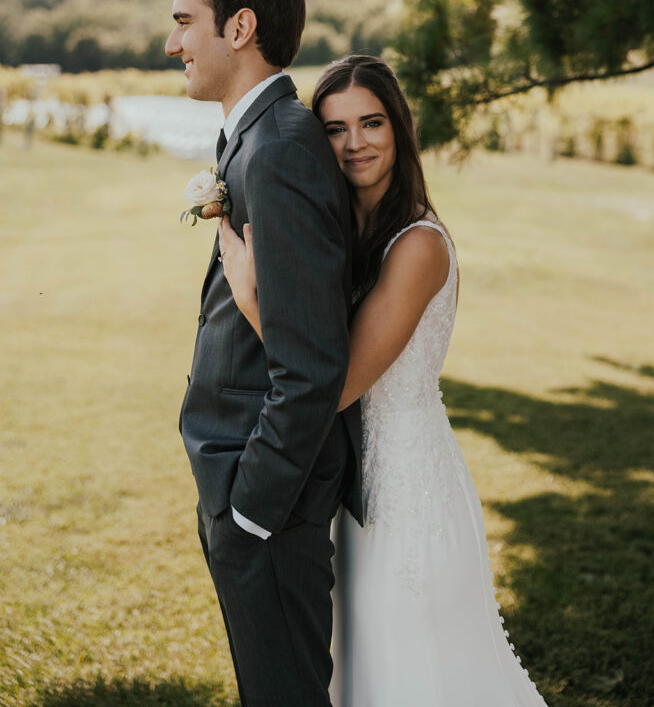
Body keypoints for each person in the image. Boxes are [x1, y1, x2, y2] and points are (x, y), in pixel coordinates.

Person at [219, 54, 549, 706]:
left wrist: (249, 295)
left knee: (418, 673)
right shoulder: (348, 232)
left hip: (407, 494)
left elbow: (334, 385)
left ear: (398, 128)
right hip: (351, 487)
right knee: (361, 675)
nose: (353, 144)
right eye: (335, 129)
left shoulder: (417, 244)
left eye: (370, 123)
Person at [166, 0, 362, 707]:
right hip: (240, 486)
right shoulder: (253, 139)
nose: (173, 42)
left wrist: (250, 510)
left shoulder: (277, 148)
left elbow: (311, 364)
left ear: (239, 26)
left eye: (186, 21)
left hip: (266, 507)